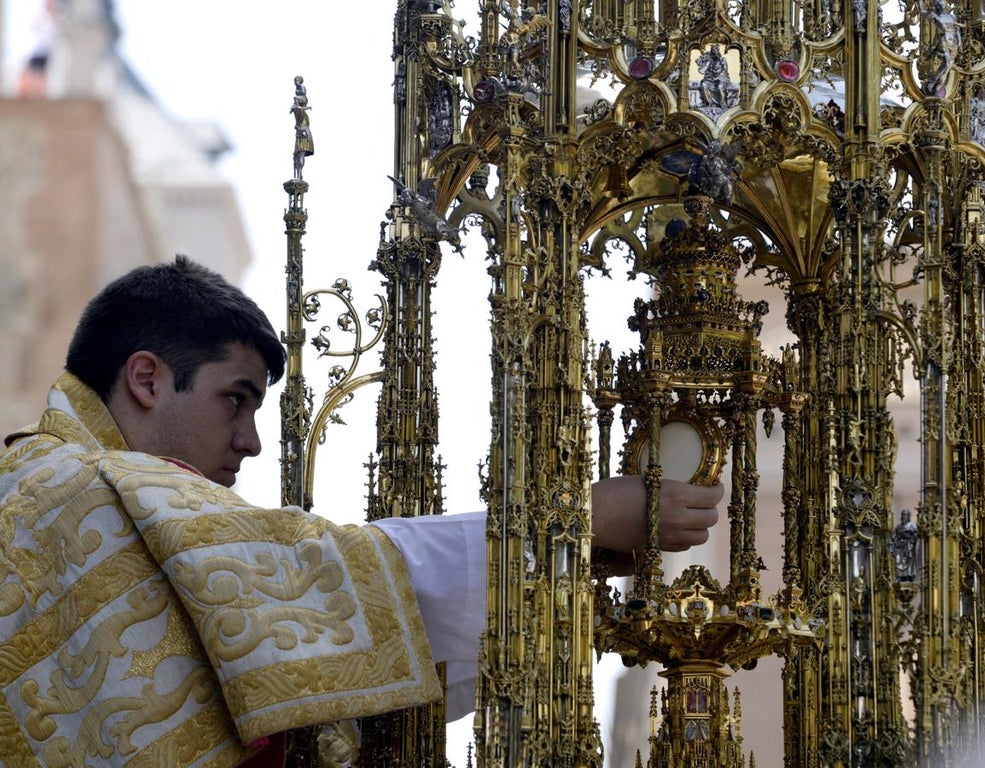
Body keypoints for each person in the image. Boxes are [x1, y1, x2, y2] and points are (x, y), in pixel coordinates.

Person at [0, 256, 722, 767]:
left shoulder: (46, 483)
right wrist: (568, 524)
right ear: (148, 379)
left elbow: (307, 664)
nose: (250, 442)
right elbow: (322, 574)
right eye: (235, 398)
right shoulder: (80, 485)